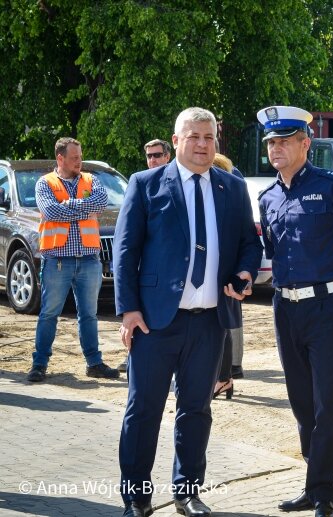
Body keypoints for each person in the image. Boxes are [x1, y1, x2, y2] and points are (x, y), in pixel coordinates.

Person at [114, 107, 262, 517]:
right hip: (155, 323)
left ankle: (187, 492)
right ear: (176, 140)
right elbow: (125, 252)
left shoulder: (231, 188)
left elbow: (250, 243)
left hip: (209, 323)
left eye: (209, 137)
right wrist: (128, 311)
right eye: (193, 137)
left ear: (216, 143)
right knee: (142, 412)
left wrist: (246, 271)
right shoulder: (146, 185)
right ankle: (137, 498)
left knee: (196, 411)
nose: (201, 144)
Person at [258, 105, 333, 517]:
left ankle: (325, 492)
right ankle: (316, 481)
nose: (277, 148)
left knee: (327, 403)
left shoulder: (331, 186)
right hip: (285, 308)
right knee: (302, 402)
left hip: (327, 308)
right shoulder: (267, 197)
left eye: (285, 140)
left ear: (306, 143)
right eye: (272, 142)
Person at [26, 137, 119, 383]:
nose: (79, 161)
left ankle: (94, 363)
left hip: (89, 259)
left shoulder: (91, 180)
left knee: (89, 314)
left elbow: (100, 202)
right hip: (57, 260)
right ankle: (39, 364)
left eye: (80, 156)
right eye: (75, 157)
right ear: (61, 158)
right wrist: (83, 209)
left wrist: (68, 204)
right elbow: (51, 211)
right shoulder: (44, 183)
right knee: (49, 314)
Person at [117, 138, 176, 375]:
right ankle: (133, 360)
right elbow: (127, 243)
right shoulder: (140, 182)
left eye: (157, 155)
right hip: (144, 275)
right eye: (149, 156)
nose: (153, 160)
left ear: (168, 156)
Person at [211, 152, 246, 399]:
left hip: (226, 277)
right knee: (223, 328)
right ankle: (227, 376)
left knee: (223, 328)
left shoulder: (233, 190)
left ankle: (225, 377)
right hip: (220, 277)